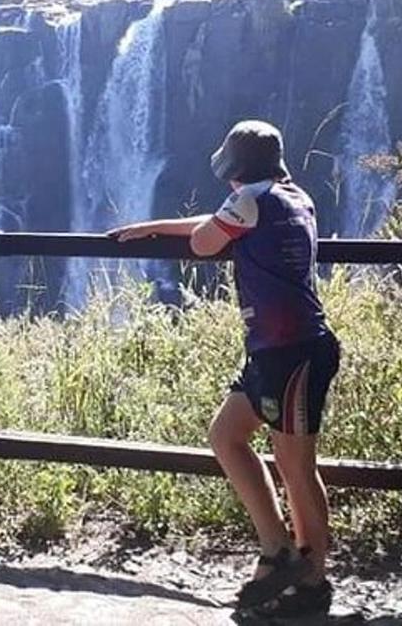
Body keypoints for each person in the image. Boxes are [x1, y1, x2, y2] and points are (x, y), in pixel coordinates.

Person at [108, 120, 339, 616]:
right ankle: (277, 549)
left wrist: (166, 229)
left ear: (237, 171)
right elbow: (222, 224)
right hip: (276, 348)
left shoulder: (249, 202)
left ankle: (312, 583)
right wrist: (155, 226)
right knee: (226, 434)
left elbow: (205, 242)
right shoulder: (295, 197)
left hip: (291, 348)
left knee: (297, 467)